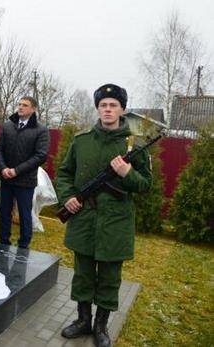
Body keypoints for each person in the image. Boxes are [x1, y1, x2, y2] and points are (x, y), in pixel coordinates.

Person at [57, 84, 152, 347]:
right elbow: (65, 173)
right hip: (84, 219)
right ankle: (82, 321)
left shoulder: (135, 144)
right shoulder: (82, 140)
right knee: (83, 274)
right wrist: (67, 198)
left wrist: (126, 173)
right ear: (98, 108)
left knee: (110, 278)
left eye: (113, 105)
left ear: (122, 109)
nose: (108, 109)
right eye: (103, 105)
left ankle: (101, 327)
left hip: (115, 223)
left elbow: (145, 184)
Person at [0, 96, 49, 249]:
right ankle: (3, 243)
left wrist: (16, 171)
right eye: (19, 104)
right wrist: (3, 168)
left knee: (25, 215)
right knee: (4, 213)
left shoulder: (41, 130)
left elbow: (40, 155)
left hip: (25, 181)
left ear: (33, 109)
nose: (20, 107)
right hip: (6, 178)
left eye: (25, 105)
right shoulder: (7, 126)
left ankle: (23, 246)